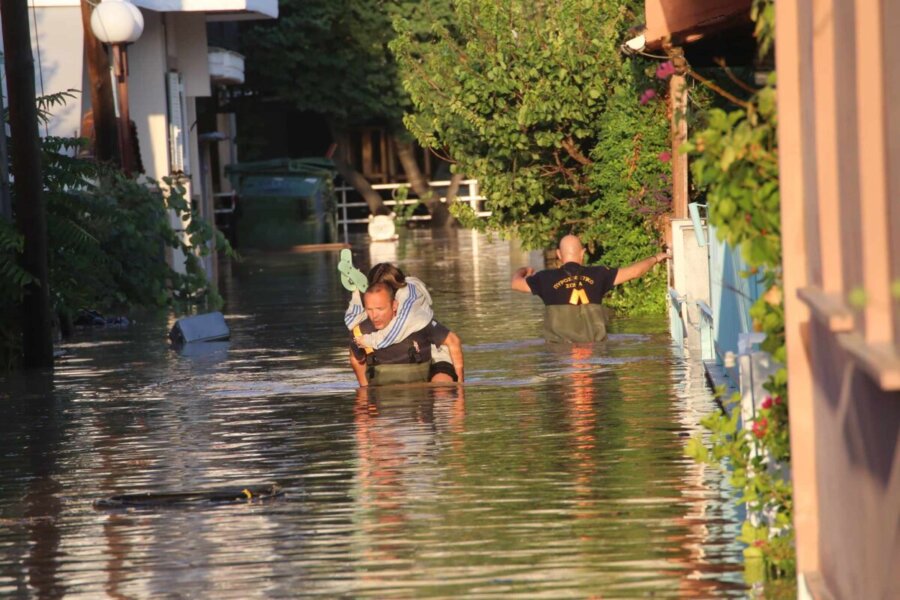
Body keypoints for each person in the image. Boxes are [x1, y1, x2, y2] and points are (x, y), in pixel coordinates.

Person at [511, 234, 669, 343]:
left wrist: (523, 271)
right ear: (583, 253)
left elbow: (515, 284)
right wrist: (656, 258)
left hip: (559, 351)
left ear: (559, 254)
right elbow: (635, 272)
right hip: (594, 348)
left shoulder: (545, 278)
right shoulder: (600, 274)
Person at [350, 282, 464, 387]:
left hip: (431, 374)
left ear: (394, 305)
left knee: (442, 386)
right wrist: (365, 390)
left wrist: (460, 388)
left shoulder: (417, 323)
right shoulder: (361, 331)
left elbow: (453, 341)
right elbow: (356, 358)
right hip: (387, 398)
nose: (374, 316)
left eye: (380, 309)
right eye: (369, 309)